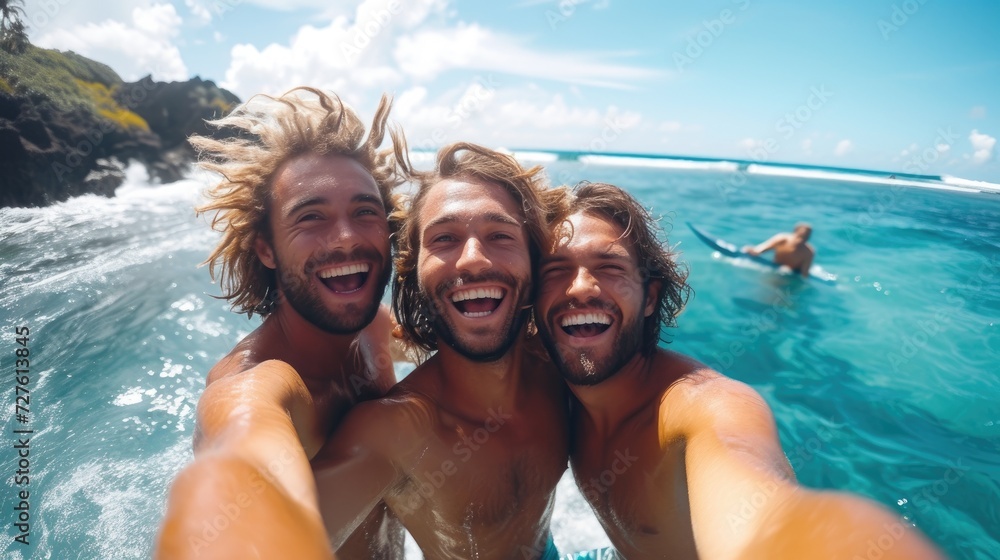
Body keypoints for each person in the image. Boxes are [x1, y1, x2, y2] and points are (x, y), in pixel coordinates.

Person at [534, 182, 945, 559]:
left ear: (649, 297)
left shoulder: (704, 407)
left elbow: (769, 518)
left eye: (610, 268)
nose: (581, 287)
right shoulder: (549, 383)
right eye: (555, 271)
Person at [156, 87, 408, 560]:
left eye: (365, 212)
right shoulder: (254, 382)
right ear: (266, 249)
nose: (347, 237)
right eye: (310, 217)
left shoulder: (374, 326)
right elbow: (239, 456)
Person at [311, 142, 571, 559]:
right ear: (413, 273)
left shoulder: (561, 371)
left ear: (534, 257)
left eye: (500, 235)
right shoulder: (394, 431)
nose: (472, 259)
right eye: (444, 239)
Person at [742, 223, 815, 277]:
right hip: (775, 269)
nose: (802, 240)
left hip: (790, 276)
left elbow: (804, 274)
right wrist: (752, 251)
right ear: (794, 232)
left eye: (806, 237)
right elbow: (760, 249)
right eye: (800, 236)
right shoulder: (782, 239)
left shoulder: (808, 252)